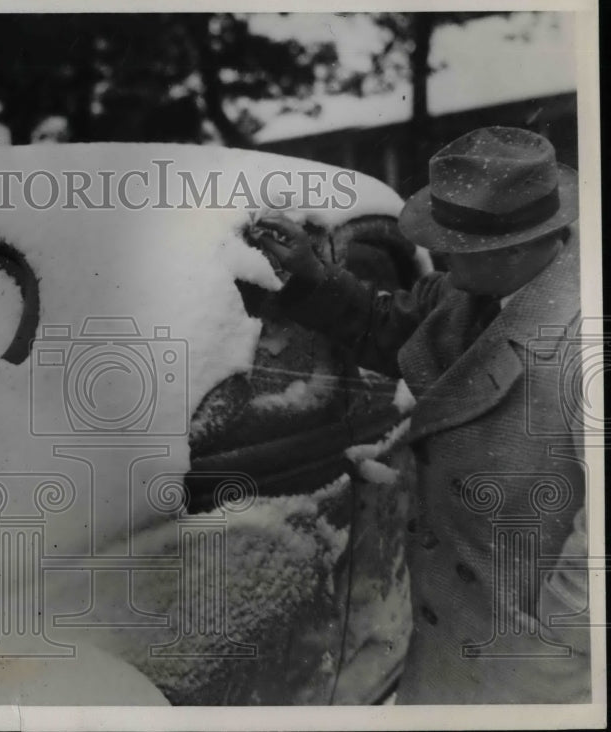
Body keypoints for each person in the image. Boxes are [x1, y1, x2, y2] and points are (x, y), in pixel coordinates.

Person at [251, 127, 591, 704]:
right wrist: (313, 274)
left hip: (526, 669)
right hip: (450, 640)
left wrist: (554, 643)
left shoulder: (585, 338)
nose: (440, 255)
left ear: (513, 248)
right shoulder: (474, 292)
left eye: (454, 243)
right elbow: (399, 327)